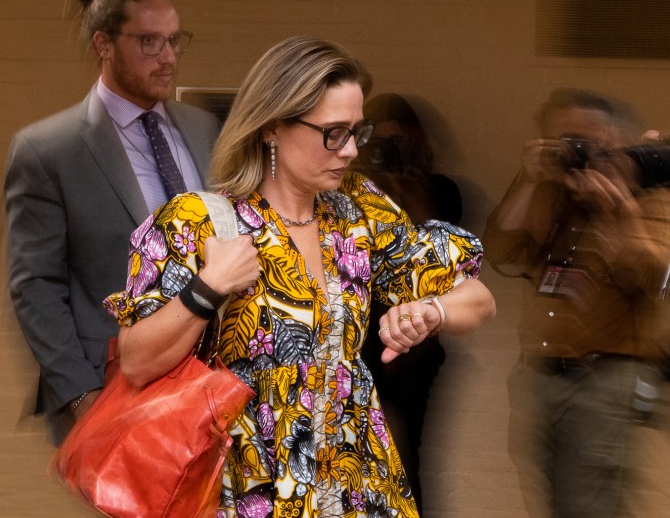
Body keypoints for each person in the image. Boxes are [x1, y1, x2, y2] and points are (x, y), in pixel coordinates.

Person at [103, 36, 496, 518]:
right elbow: (137, 362)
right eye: (333, 133)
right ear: (272, 127)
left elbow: (477, 299)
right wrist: (207, 289)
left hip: (359, 483)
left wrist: (431, 312)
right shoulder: (197, 222)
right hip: (248, 488)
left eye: (357, 131)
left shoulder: (358, 212)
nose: (350, 150)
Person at [4, 0, 220, 444]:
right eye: (149, 42)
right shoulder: (48, 150)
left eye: (174, 40)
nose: (167, 58)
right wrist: (83, 401)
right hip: (117, 393)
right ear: (103, 44)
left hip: (213, 389)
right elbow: (36, 288)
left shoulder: (206, 131)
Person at [483, 88, 670, 518]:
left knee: (593, 505)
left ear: (615, 140)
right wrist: (530, 178)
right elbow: (501, 250)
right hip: (544, 374)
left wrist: (618, 210)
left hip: (607, 378)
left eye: (586, 141)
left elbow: (654, 276)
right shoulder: (550, 192)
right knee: (557, 501)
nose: (576, 153)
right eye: (564, 142)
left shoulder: (649, 195)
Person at [354, 92, 463, 513]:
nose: (383, 152)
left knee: (401, 455)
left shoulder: (440, 188)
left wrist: (400, 185)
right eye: (374, 142)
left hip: (414, 350)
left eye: (394, 143)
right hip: (356, 341)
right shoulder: (352, 191)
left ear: (415, 141)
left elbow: (428, 250)